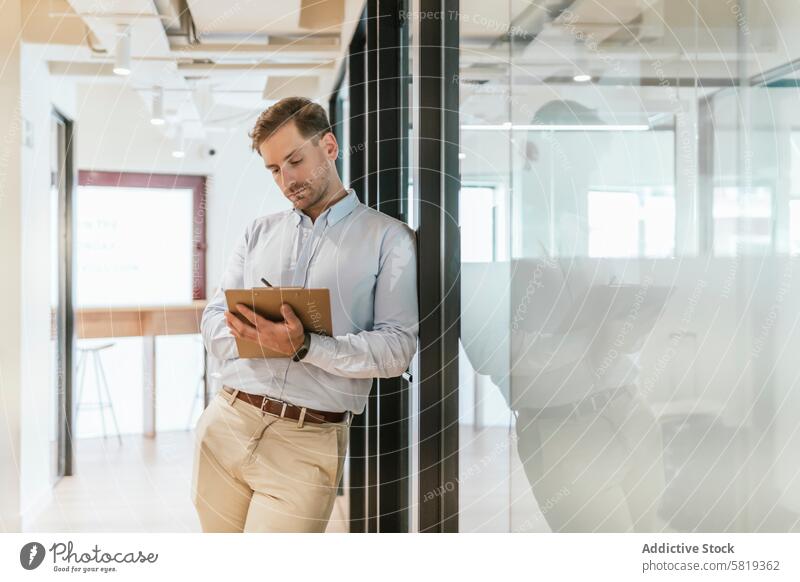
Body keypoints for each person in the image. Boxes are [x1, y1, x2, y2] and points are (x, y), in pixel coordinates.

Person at [191, 96, 418, 533]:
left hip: (307, 440)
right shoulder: (258, 232)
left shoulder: (388, 238)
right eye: (274, 170)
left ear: (329, 147)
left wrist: (307, 346)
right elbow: (213, 319)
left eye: (294, 161)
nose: (287, 179)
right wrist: (255, 334)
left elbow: (397, 349)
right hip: (227, 423)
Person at [461, 100, 665, 532]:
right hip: (565, 427)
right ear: (539, 153)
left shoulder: (580, 230)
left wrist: (629, 325)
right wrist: (592, 337)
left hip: (627, 410)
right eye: (582, 160)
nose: (590, 176)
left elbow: (615, 333)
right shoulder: (498, 233)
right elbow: (497, 356)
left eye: (596, 162)